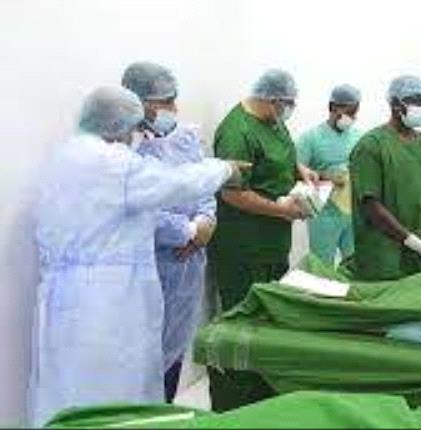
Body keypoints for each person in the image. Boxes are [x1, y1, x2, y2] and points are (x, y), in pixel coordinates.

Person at [29, 86, 248, 426]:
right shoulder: (114, 164)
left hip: (64, 297)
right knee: (112, 392)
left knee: (65, 388)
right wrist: (224, 170)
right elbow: (175, 182)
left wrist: (193, 225)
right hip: (107, 302)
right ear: (120, 126)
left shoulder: (65, 155)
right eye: (135, 129)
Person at [208, 68, 317, 411]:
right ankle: (236, 404)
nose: (289, 110)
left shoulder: (274, 122)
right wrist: (281, 210)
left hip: (272, 245)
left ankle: (263, 396)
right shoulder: (236, 131)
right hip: (242, 246)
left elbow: (282, 154)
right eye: (287, 104)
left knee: (268, 319)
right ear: (271, 99)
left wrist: (300, 170)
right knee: (241, 324)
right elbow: (232, 194)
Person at [122, 61, 217, 403]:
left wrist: (205, 222)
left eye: (173, 99)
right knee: (141, 360)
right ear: (136, 103)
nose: (173, 109)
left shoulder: (185, 138)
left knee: (174, 352)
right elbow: (136, 210)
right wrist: (186, 231)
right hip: (147, 266)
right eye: (164, 101)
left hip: (187, 267)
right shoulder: (123, 150)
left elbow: (204, 184)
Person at [349, 75, 421, 281]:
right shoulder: (371, 146)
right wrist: (411, 241)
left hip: (420, 257)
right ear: (395, 105)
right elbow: (371, 206)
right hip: (383, 257)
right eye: (415, 102)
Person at [296, 84, 362, 265]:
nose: (352, 118)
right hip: (323, 215)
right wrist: (325, 176)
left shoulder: (359, 138)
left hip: (353, 213)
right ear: (332, 107)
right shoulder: (310, 138)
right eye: (349, 112)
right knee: (322, 267)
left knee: (354, 265)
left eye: (355, 113)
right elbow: (295, 172)